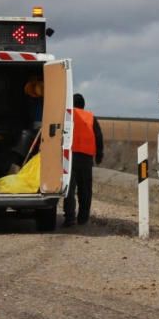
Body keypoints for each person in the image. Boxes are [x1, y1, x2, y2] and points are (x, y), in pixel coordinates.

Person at [64, 93, 104, 226]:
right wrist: (99, 155)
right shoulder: (91, 117)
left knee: (69, 188)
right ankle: (83, 218)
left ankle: (69, 218)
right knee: (85, 189)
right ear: (83, 105)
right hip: (86, 158)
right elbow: (98, 137)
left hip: (69, 157)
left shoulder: (67, 115)